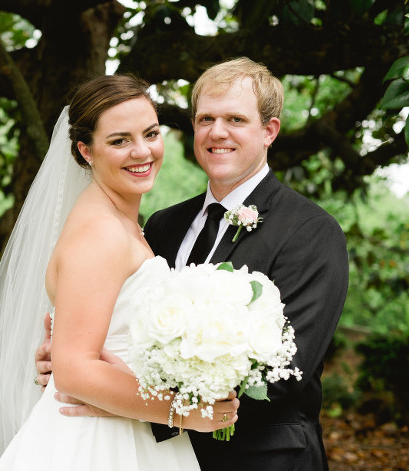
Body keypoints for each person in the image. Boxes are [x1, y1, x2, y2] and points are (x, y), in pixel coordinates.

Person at [35, 57, 349, 470]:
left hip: (260, 460)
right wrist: (73, 363)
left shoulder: (311, 231)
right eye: (206, 119)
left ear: (269, 131)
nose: (217, 132)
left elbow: (284, 376)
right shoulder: (162, 224)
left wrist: (140, 404)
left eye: (235, 119)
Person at [0, 74, 239, 471]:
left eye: (150, 133)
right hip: (98, 443)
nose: (142, 151)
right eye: (119, 141)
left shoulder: (123, 222)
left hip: (126, 426)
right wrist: (182, 411)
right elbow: (74, 370)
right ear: (85, 151)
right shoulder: (101, 233)